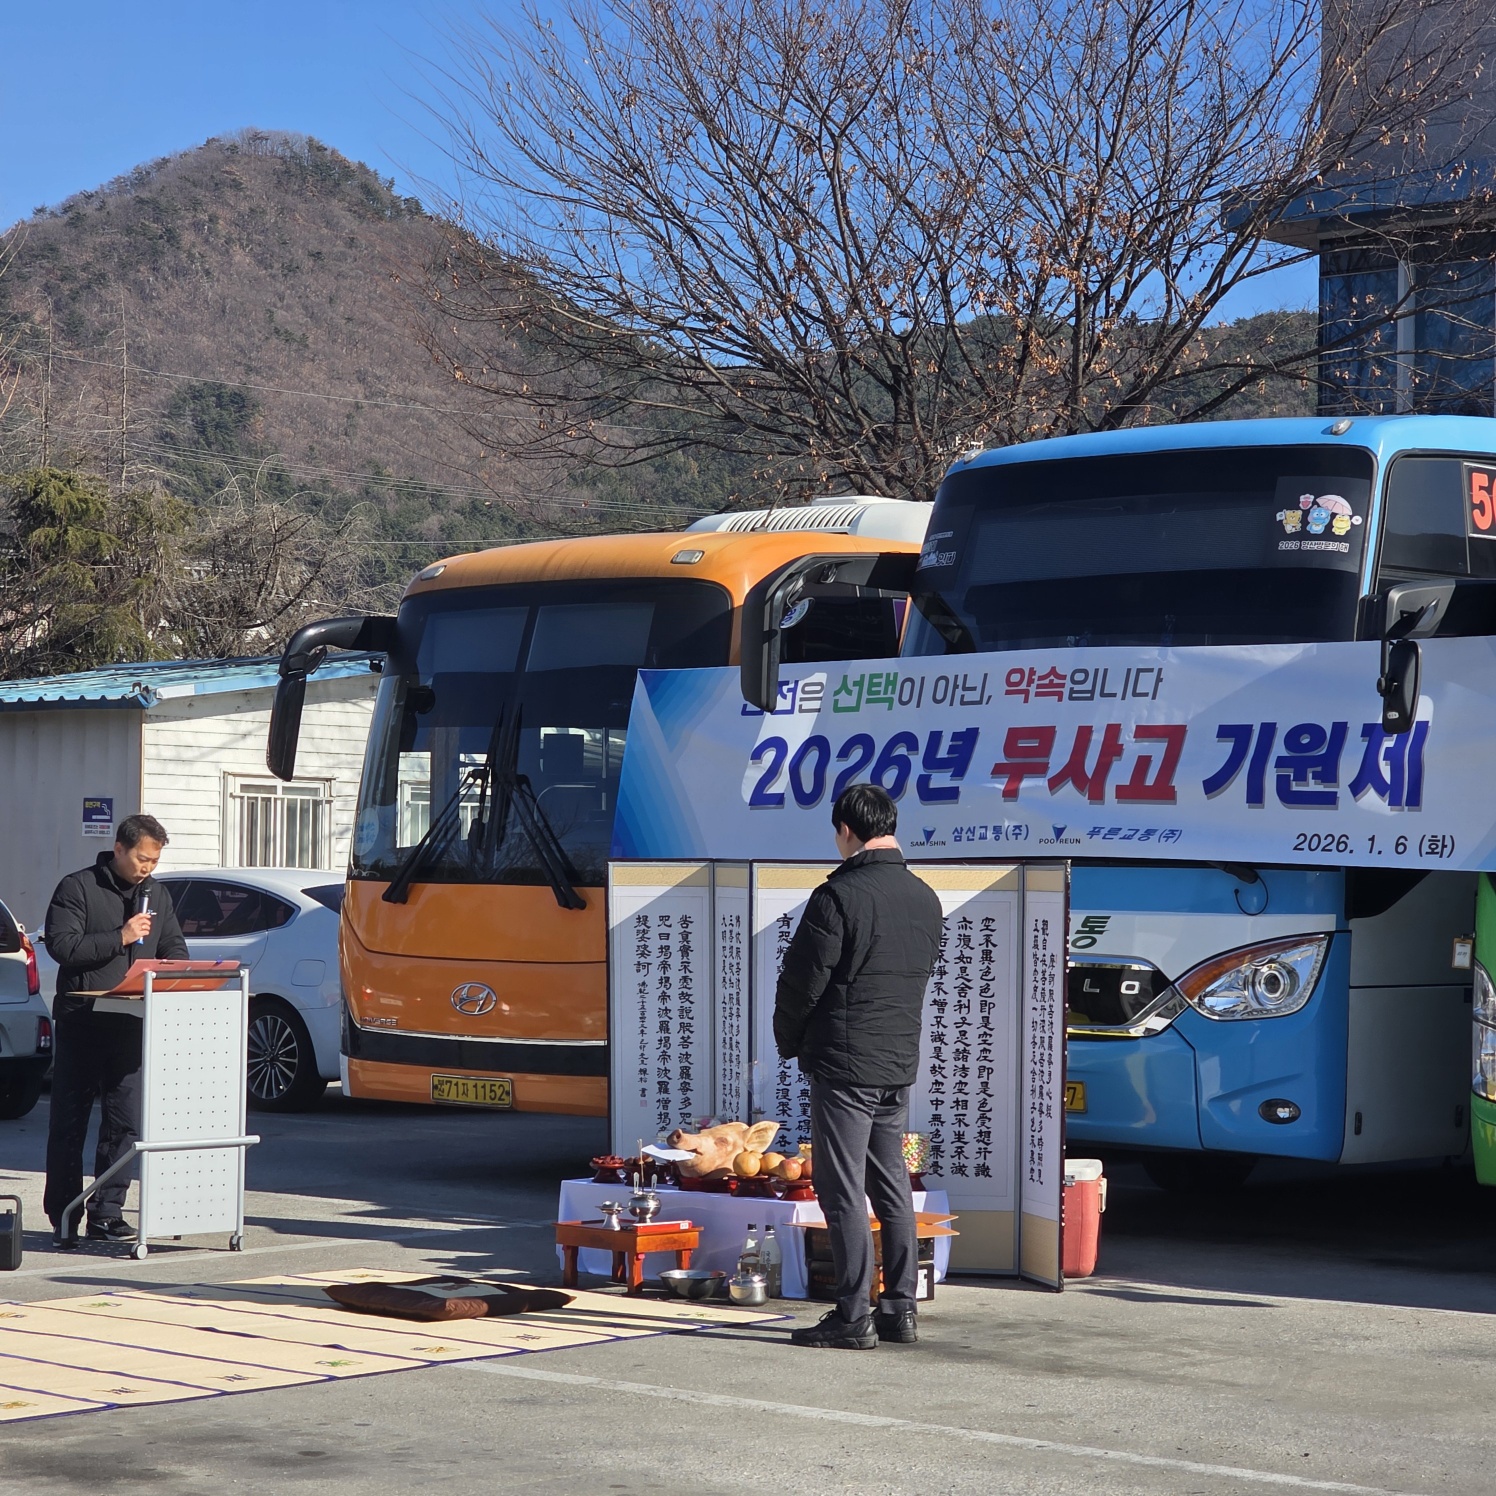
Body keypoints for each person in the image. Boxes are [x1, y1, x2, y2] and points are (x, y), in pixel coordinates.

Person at [773, 783, 944, 1350]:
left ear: (845, 830)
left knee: (841, 1187)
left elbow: (802, 982)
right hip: (897, 1060)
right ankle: (900, 1310)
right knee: (891, 1183)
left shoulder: (838, 896)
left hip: (846, 1063)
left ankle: (852, 1315)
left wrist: (788, 1039)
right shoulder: (924, 896)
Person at [43, 813, 188, 1248]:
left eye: (155, 861)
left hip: (131, 1022)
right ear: (119, 849)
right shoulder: (78, 887)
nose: (148, 868)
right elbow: (63, 947)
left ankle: (107, 1212)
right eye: (142, 859)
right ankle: (64, 1214)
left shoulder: (156, 894)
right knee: (70, 1123)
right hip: (83, 1020)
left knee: (124, 1124)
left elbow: (174, 947)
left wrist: (172, 971)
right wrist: (121, 936)